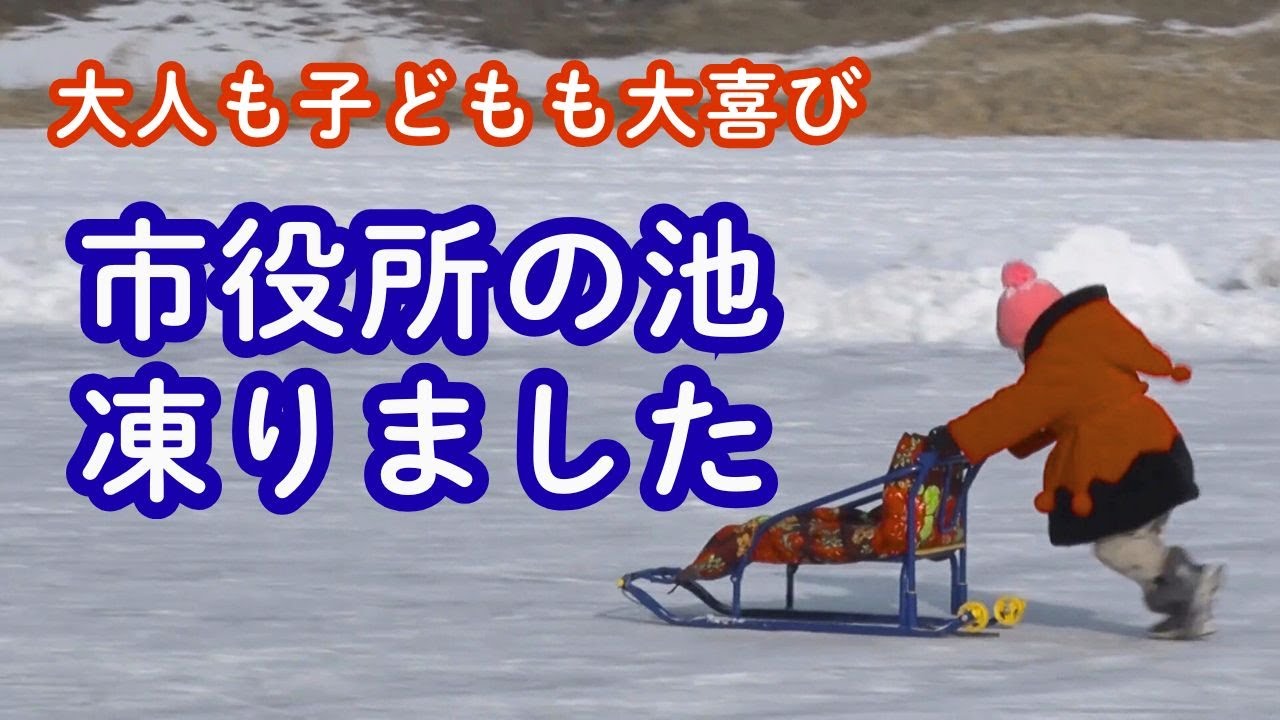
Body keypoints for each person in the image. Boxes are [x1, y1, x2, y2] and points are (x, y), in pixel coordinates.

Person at [928, 260, 1224, 640]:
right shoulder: (1087, 340)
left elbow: (1012, 411)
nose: (1022, 359)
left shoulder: (1057, 361)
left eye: (1019, 349)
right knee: (1139, 540)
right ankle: (1186, 608)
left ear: (1030, 336)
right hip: (1160, 451)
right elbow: (1062, 407)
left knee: (1115, 546)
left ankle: (1187, 580)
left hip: (1122, 464)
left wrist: (956, 438)